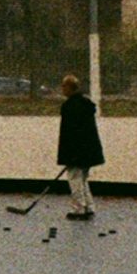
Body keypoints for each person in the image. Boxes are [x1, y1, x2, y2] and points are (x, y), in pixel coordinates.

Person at [56, 72, 104, 220]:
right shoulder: (85, 104)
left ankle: (79, 209)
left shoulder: (70, 106)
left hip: (76, 150)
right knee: (82, 179)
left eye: (64, 86)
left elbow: (71, 133)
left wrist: (70, 155)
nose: (62, 89)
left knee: (75, 179)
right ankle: (89, 206)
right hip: (89, 150)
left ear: (70, 88)